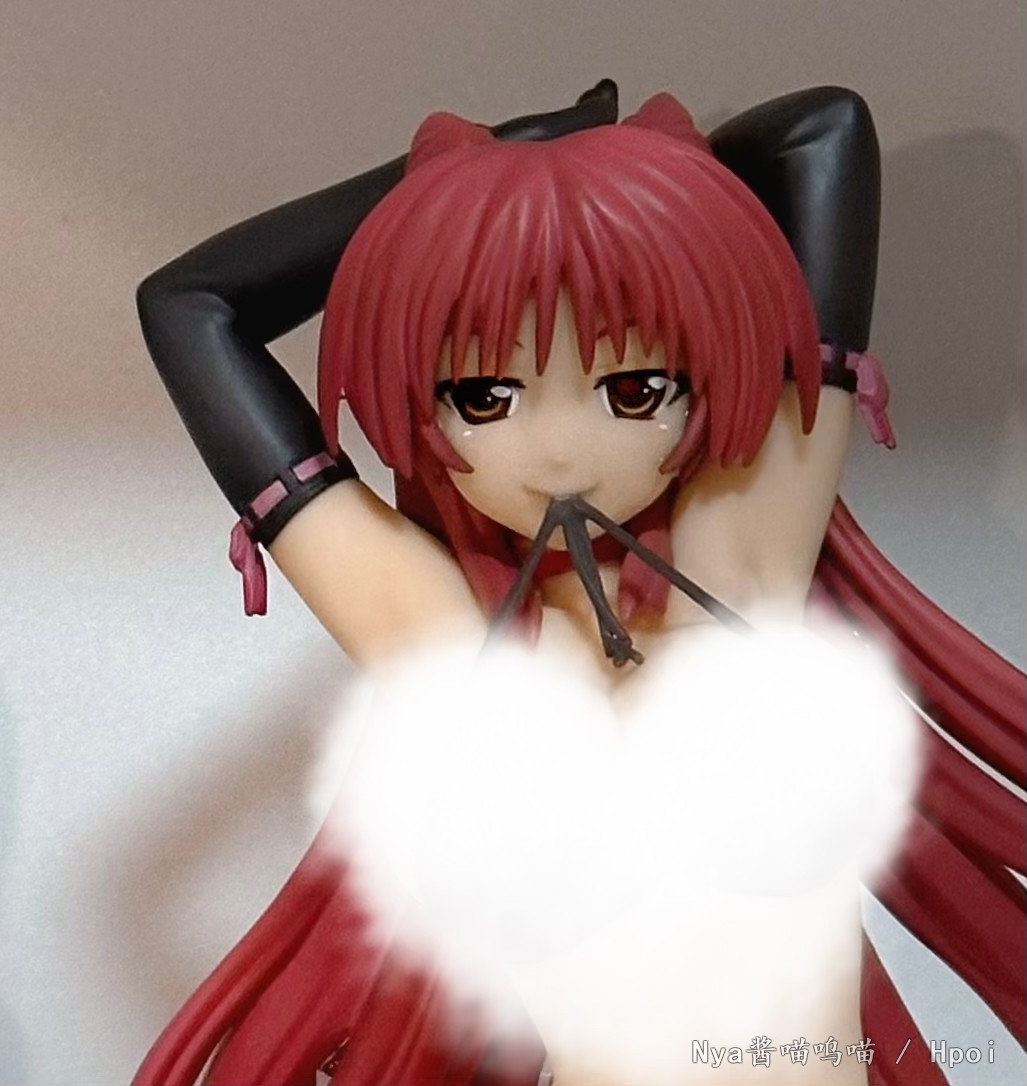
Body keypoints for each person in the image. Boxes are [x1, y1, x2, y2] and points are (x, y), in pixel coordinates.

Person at [132, 82, 1024, 1086]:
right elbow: (190, 309)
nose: (560, 450)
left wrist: (624, 192)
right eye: (484, 396)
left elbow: (821, 131)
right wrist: (465, 176)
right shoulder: (443, 638)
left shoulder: (740, 556)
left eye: (632, 389)